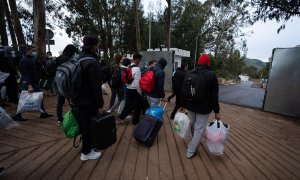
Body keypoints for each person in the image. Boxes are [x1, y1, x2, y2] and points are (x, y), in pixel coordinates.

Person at [180, 54, 221, 159]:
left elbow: (184, 91)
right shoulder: (211, 75)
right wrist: (217, 111)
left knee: (193, 125)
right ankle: (191, 150)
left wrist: (182, 105)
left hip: (190, 105)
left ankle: (194, 141)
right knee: (199, 129)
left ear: (198, 62)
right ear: (208, 63)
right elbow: (214, 95)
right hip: (204, 107)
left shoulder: (189, 73)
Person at [71, 35, 104, 161]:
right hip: (88, 101)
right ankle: (86, 153)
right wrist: (100, 104)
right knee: (88, 126)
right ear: (94, 46)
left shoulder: (79, 58)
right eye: (97, 45)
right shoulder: (92, 62)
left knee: (84, 125)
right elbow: (95, 87)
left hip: (78, 99)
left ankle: (88, 148)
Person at [12, 45, 53, 121]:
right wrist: (30, 85)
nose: (34, 52)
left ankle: (43, 112)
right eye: (32, 50)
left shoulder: (29, 59)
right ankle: (17, 115)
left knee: (39, 97)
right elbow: (27, 73)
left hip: (32, 82)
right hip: (30, 83)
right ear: (28, 51)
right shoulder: (26, 61)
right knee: (23, 99)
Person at [55, 45, 78, 125]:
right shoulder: (69, 59)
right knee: (73, 102)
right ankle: (76, 117)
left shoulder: (59, 58)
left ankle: (59, 118)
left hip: (59, 82)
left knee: (60, 102)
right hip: (68, 84)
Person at [117, 53, 143, 125]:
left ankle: (120, 117)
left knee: (129, 105)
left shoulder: (128, 67)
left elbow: (126, 79)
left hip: (128, 89)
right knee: (137, 106)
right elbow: (138, 83)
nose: (140, 61)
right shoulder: (137, 69)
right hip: (135, 90)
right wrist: (140, 92)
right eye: (140, 60)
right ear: (137, 59)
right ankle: (135, 122)